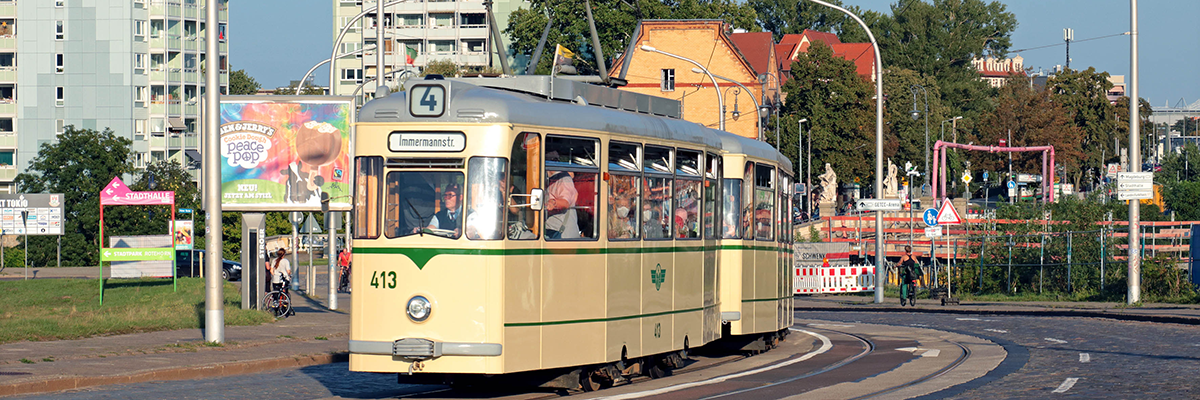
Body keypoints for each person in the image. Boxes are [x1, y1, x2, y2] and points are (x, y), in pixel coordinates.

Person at [545, 171, 580, 239]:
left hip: (563, 233)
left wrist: (552, 203)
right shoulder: (549, 179)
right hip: (552, 229)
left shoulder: (564, 178)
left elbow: (565, 202)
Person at [270, 248, 294, 316]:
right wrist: (288, 275)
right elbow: (288, 271)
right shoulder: (285, 261)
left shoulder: (274, 260)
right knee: (284, 293)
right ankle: (284, 306)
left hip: (275, 280)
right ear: (284, 254)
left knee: (275, 294)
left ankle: (275, 306)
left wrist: (274, 275)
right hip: (283, 280)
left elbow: (271, 270)